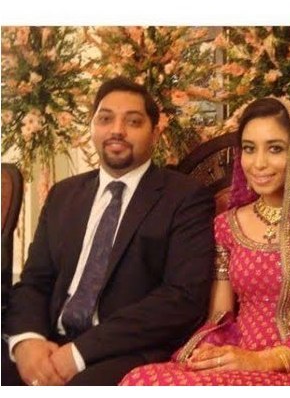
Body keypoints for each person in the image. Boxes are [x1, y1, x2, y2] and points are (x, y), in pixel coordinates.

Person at [120, 96, 290, 386]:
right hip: (237, 359)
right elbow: (220, 316)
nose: (259, 164)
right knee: (140, 379)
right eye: (249, 149)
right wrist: (211, 352)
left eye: (275, 149)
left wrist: (263, 360)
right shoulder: (227, 225)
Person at [1, 77, 215, 386]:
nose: (117, 130)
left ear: (155, 133)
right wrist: (26, 341)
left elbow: (182, 298)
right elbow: (35, 280)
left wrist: (79, 353)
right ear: (92, 127)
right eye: (105, 119)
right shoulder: (64, 194)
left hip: (123, 351)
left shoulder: (184, 197)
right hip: (48, 340)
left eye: (133, 121)